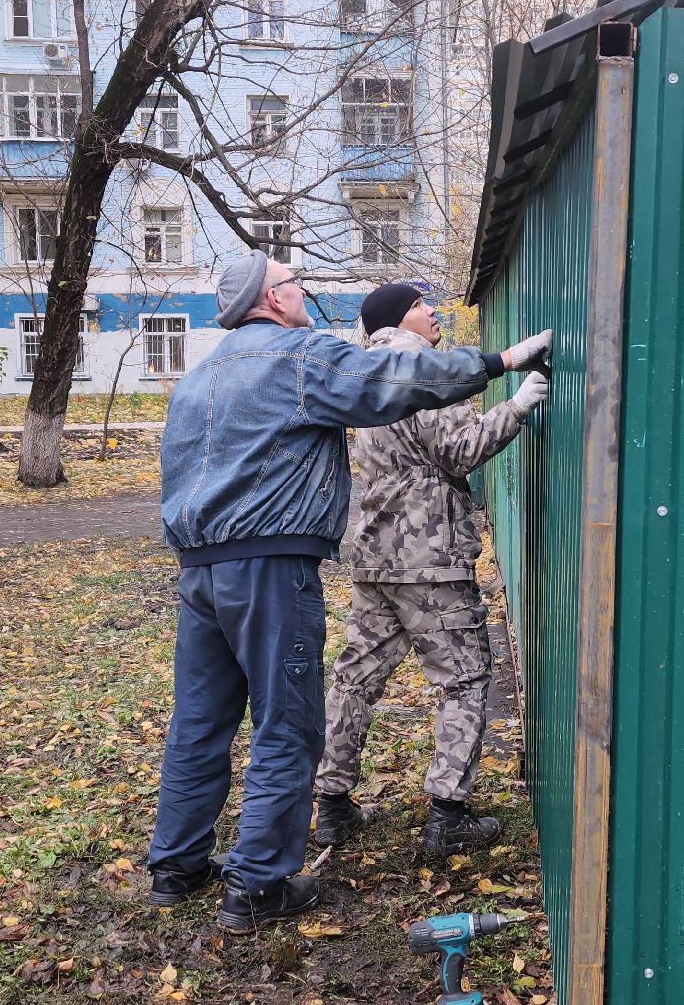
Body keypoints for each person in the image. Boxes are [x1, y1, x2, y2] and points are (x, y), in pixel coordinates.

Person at [144, 251, 552, 933]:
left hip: (199, 572)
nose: (304, 294)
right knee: (287, 724)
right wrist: (497, 364)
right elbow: (387, 377)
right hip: (269, 569)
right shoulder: (294, 358)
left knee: (200, 722)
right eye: (295, 283)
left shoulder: (199, 376)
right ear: (273, 300)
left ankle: (176, 868)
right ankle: (259, 886)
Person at [311, 284, 550, 859]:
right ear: (401, 318)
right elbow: (461, 451)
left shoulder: (364, 371)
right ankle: (449, 814)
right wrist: (518, 405)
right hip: (430, 558)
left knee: (354, 680)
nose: (435, 311)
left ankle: (332, 806)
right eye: (423, 304)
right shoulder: (426, 368)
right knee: (465, 679)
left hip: (373, 557)